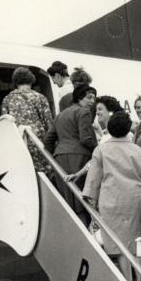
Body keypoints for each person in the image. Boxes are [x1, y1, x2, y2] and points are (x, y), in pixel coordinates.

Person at [81, 112, 141, 281]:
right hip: (135, 199)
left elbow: (93, 179)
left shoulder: (102, 149)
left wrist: (90, 200)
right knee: (136, 239)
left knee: (118, 242)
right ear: (128, 130)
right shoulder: (136, 149)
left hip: (112, 199)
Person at [44, 83, 97, 225]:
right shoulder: (84, 112)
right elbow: (85, 138)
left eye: (94, 98)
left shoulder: (61, 115)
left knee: (67, 198)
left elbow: (48, 139)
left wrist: (56, 153)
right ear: (80, 97)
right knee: (81, 198)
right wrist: (98, 149)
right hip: (80, 156)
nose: (92, 101)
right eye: (89, 97)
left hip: (60, 157)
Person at [0, 67, 53, 172]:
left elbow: (5, 123)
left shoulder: (7, 98)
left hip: (17, 141)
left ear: (15, 81)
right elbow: (48, 122)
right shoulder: (40, 97)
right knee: (41, 173)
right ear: (31, 79)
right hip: (38, 140)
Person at [64, 96, 128, 180]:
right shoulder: (105, 137)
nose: (97, 112)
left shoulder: (123, 134)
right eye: (96, 109)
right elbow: (95, 160)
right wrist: (78, 174)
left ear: (110, 111)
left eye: (100, 109)